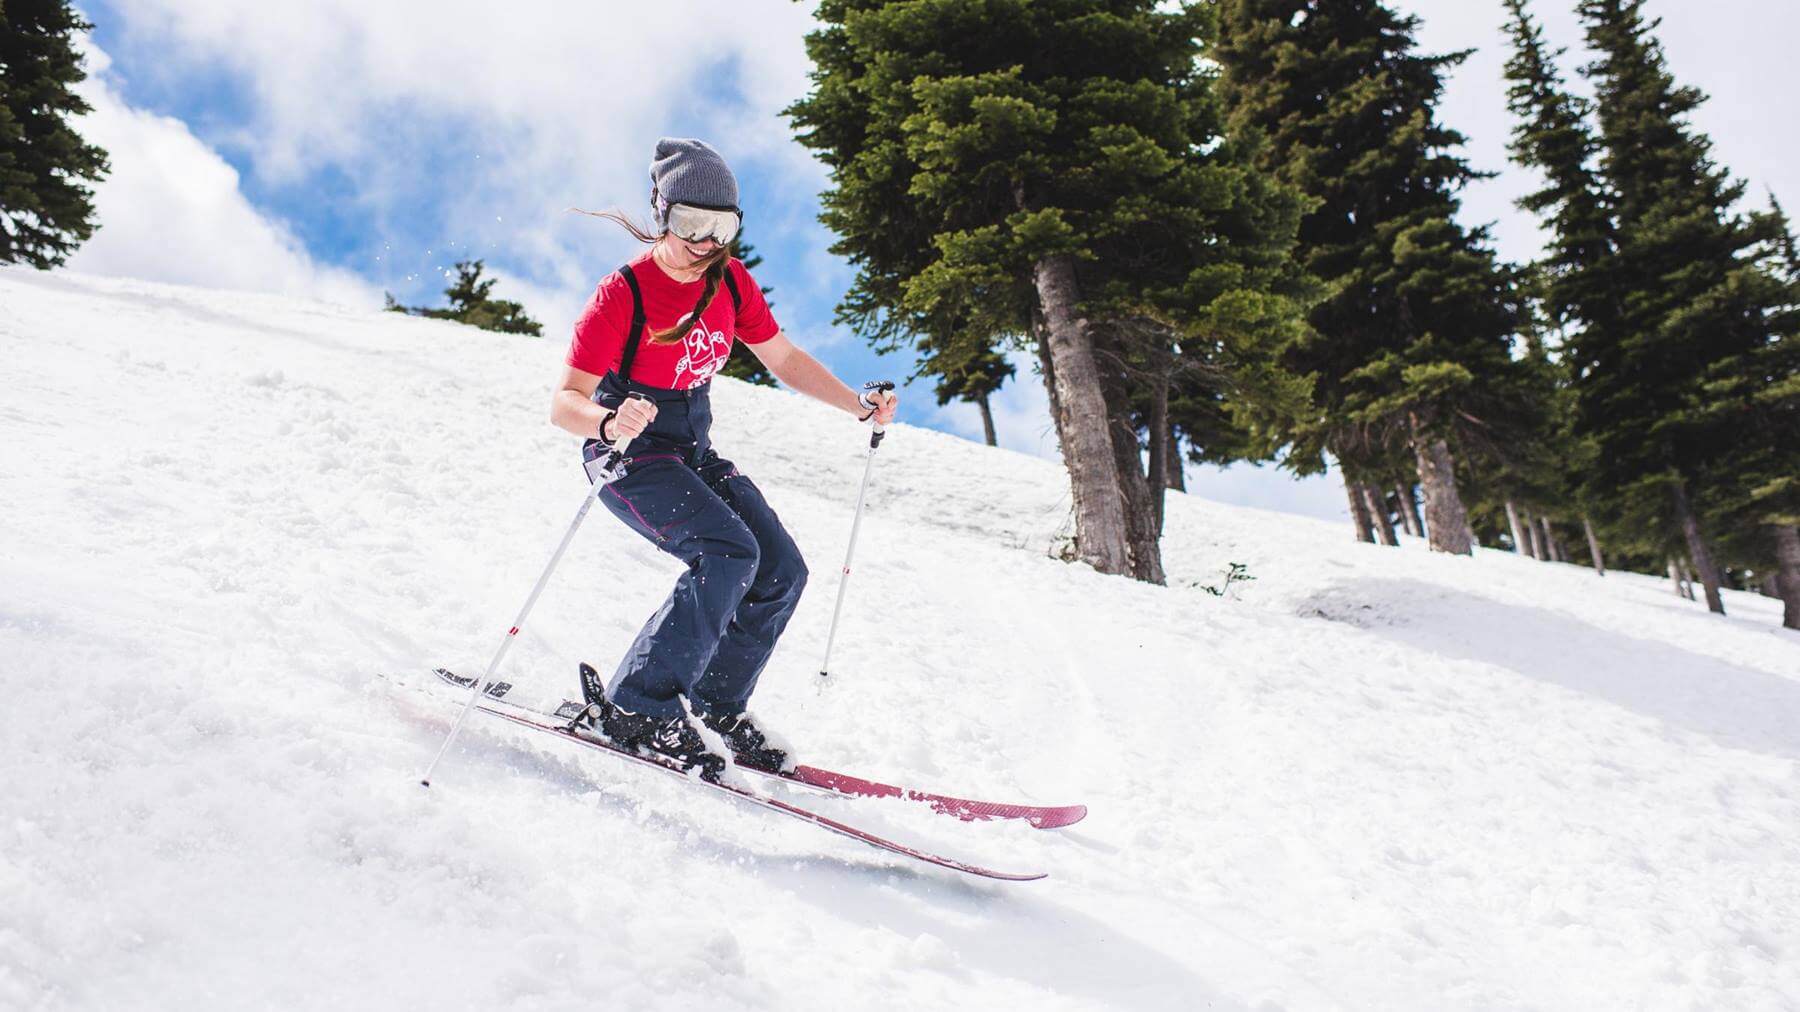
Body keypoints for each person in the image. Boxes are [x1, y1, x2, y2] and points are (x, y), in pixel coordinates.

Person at [550, 138, 898, 781]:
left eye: (724, 228)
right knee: (727, 553)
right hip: (628, 455)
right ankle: (639, 708)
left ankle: (713, 705)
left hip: (688, 449)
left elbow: (785, 360)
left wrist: (855, 403)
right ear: (662, 214)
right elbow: (564, 402)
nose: (708, 242)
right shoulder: (623, 294)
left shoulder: (729, 283)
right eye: (691, 225)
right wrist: (605, 417)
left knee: (780, 569)